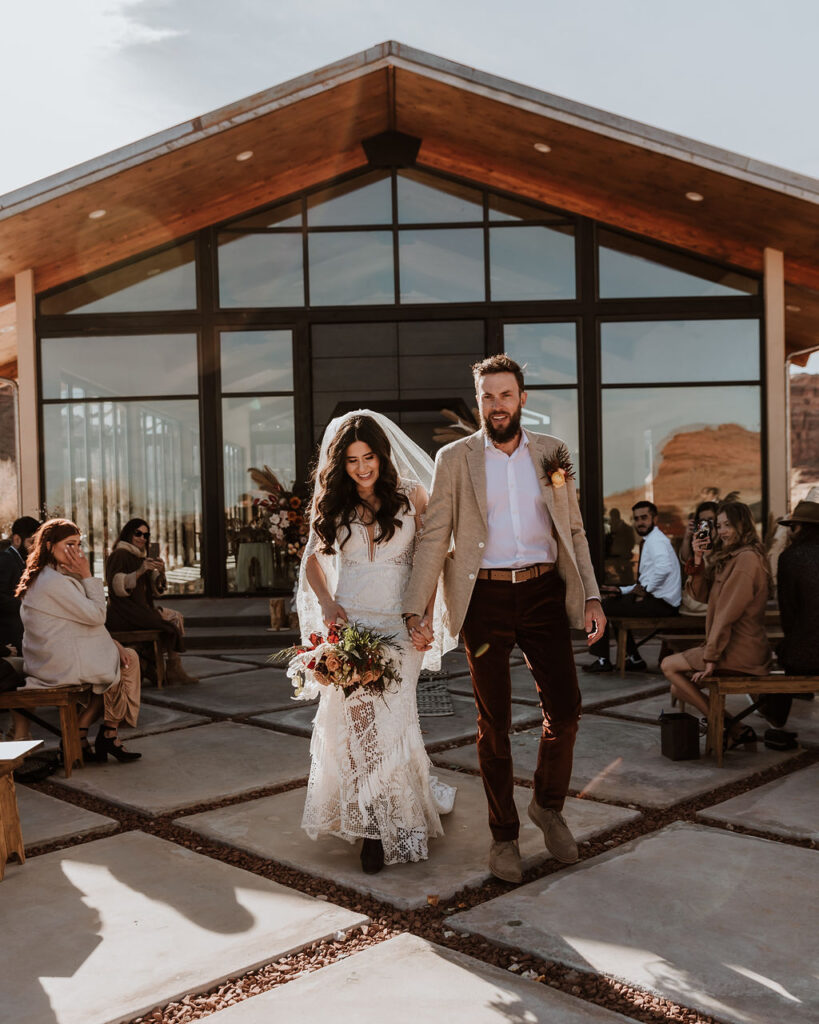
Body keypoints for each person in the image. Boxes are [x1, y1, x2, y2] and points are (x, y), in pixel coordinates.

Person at [402, 354, 604, 884]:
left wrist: (591, 596)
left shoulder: (552, 453)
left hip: (542, 592)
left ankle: (548, 805)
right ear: (479, 402)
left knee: (566, 709)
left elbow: (574, 531)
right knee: (494, 723)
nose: (497, 405)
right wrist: (414, 607)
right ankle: (504, 835)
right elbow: (433, 537)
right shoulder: (455, 458)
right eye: (488, 396)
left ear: (522, 399)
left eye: (506, 395)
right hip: (484, 601)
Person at [296, 411, 457, 875]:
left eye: (368, 457)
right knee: (358, 725)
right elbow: (312, 560)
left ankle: (401, 817)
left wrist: (426, 616)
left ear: (382, 456)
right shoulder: (332, 503)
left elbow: (429, 561)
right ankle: (369, 824)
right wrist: (327, 603)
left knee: (393, 721)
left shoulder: (411, 494)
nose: (362, 468)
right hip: (351, 624)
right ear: (340, 464)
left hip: (399, 624)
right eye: (351, 461)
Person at [16, 519, 142, 763]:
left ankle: (87, 735)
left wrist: (111, 642)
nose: (77, 551)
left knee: (117, 660)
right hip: (58, 663)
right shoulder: (52, 582)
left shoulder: (50, 575)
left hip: (54, 657)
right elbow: (97, 614)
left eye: (79, 544)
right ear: (50, 546)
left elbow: (82, 620)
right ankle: (105, 733)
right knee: (127, 663)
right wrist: (86, 574)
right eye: (70, 544)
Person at [660, 501, 771, 749]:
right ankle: (736, 728)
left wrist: (711, 657)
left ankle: (723, 724)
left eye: (727, 525)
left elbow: (727, 614)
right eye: (718, 526)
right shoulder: (730, 557)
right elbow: (701, 595)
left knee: (668, 665)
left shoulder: (746, 560)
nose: (721, 532)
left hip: (741, 650)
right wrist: (698, 557)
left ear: (742, 525)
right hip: (729, 646)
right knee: (679, 688)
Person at [586, 501, 681, 673]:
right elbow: (646, 579)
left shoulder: (656, 541)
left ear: (655, 518)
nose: (640, 522)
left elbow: (664, 569)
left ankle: (602, 660)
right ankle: (634, 658)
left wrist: (646, 590)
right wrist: (621, 590)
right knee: (614, 604)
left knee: (601, 608)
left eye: (644, 518)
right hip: (657, 600)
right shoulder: (652, 539)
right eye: (636, 519)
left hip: (662, 604)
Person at [105, 518, 198, 685]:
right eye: (138, 533)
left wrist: (160, 572)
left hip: (138, 611)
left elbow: (157, 590)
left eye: (146, 535)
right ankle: (167, 668)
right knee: (170, 622)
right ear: (129, 534)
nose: (142, 538)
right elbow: (117, 586)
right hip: (124, 613)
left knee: (173, 619)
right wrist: (140, 571)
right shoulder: (119, 555)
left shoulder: (141, 557)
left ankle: (163, 667)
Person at [0, 516, 40, 654]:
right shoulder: (6, 560)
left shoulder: (20, 560)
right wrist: (27, 603)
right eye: (31, 542)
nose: (35, 547)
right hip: (10, 636)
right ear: (17, 540)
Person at [604, 507, 636, 585]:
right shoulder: (612, 530)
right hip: (615, 563)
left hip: (624, 562)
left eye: (612, 518)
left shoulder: (627, 529)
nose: (611, 521)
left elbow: (631, 543)